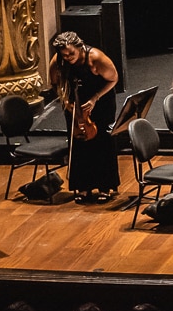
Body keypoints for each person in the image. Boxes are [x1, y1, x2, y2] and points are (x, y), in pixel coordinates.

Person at [49, 29, 120, 201]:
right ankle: (82, 186)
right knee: (79, 143)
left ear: (79, 47)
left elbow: (114, 78)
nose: (68, 57)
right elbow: (55, 84)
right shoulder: (58, 61)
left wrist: (95, 98)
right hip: (74, 103)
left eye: (71, 53)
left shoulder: (95, 57)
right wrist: (65, 101)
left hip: (100, 101)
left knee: (102, 140)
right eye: (64, 55)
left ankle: (105, 187)